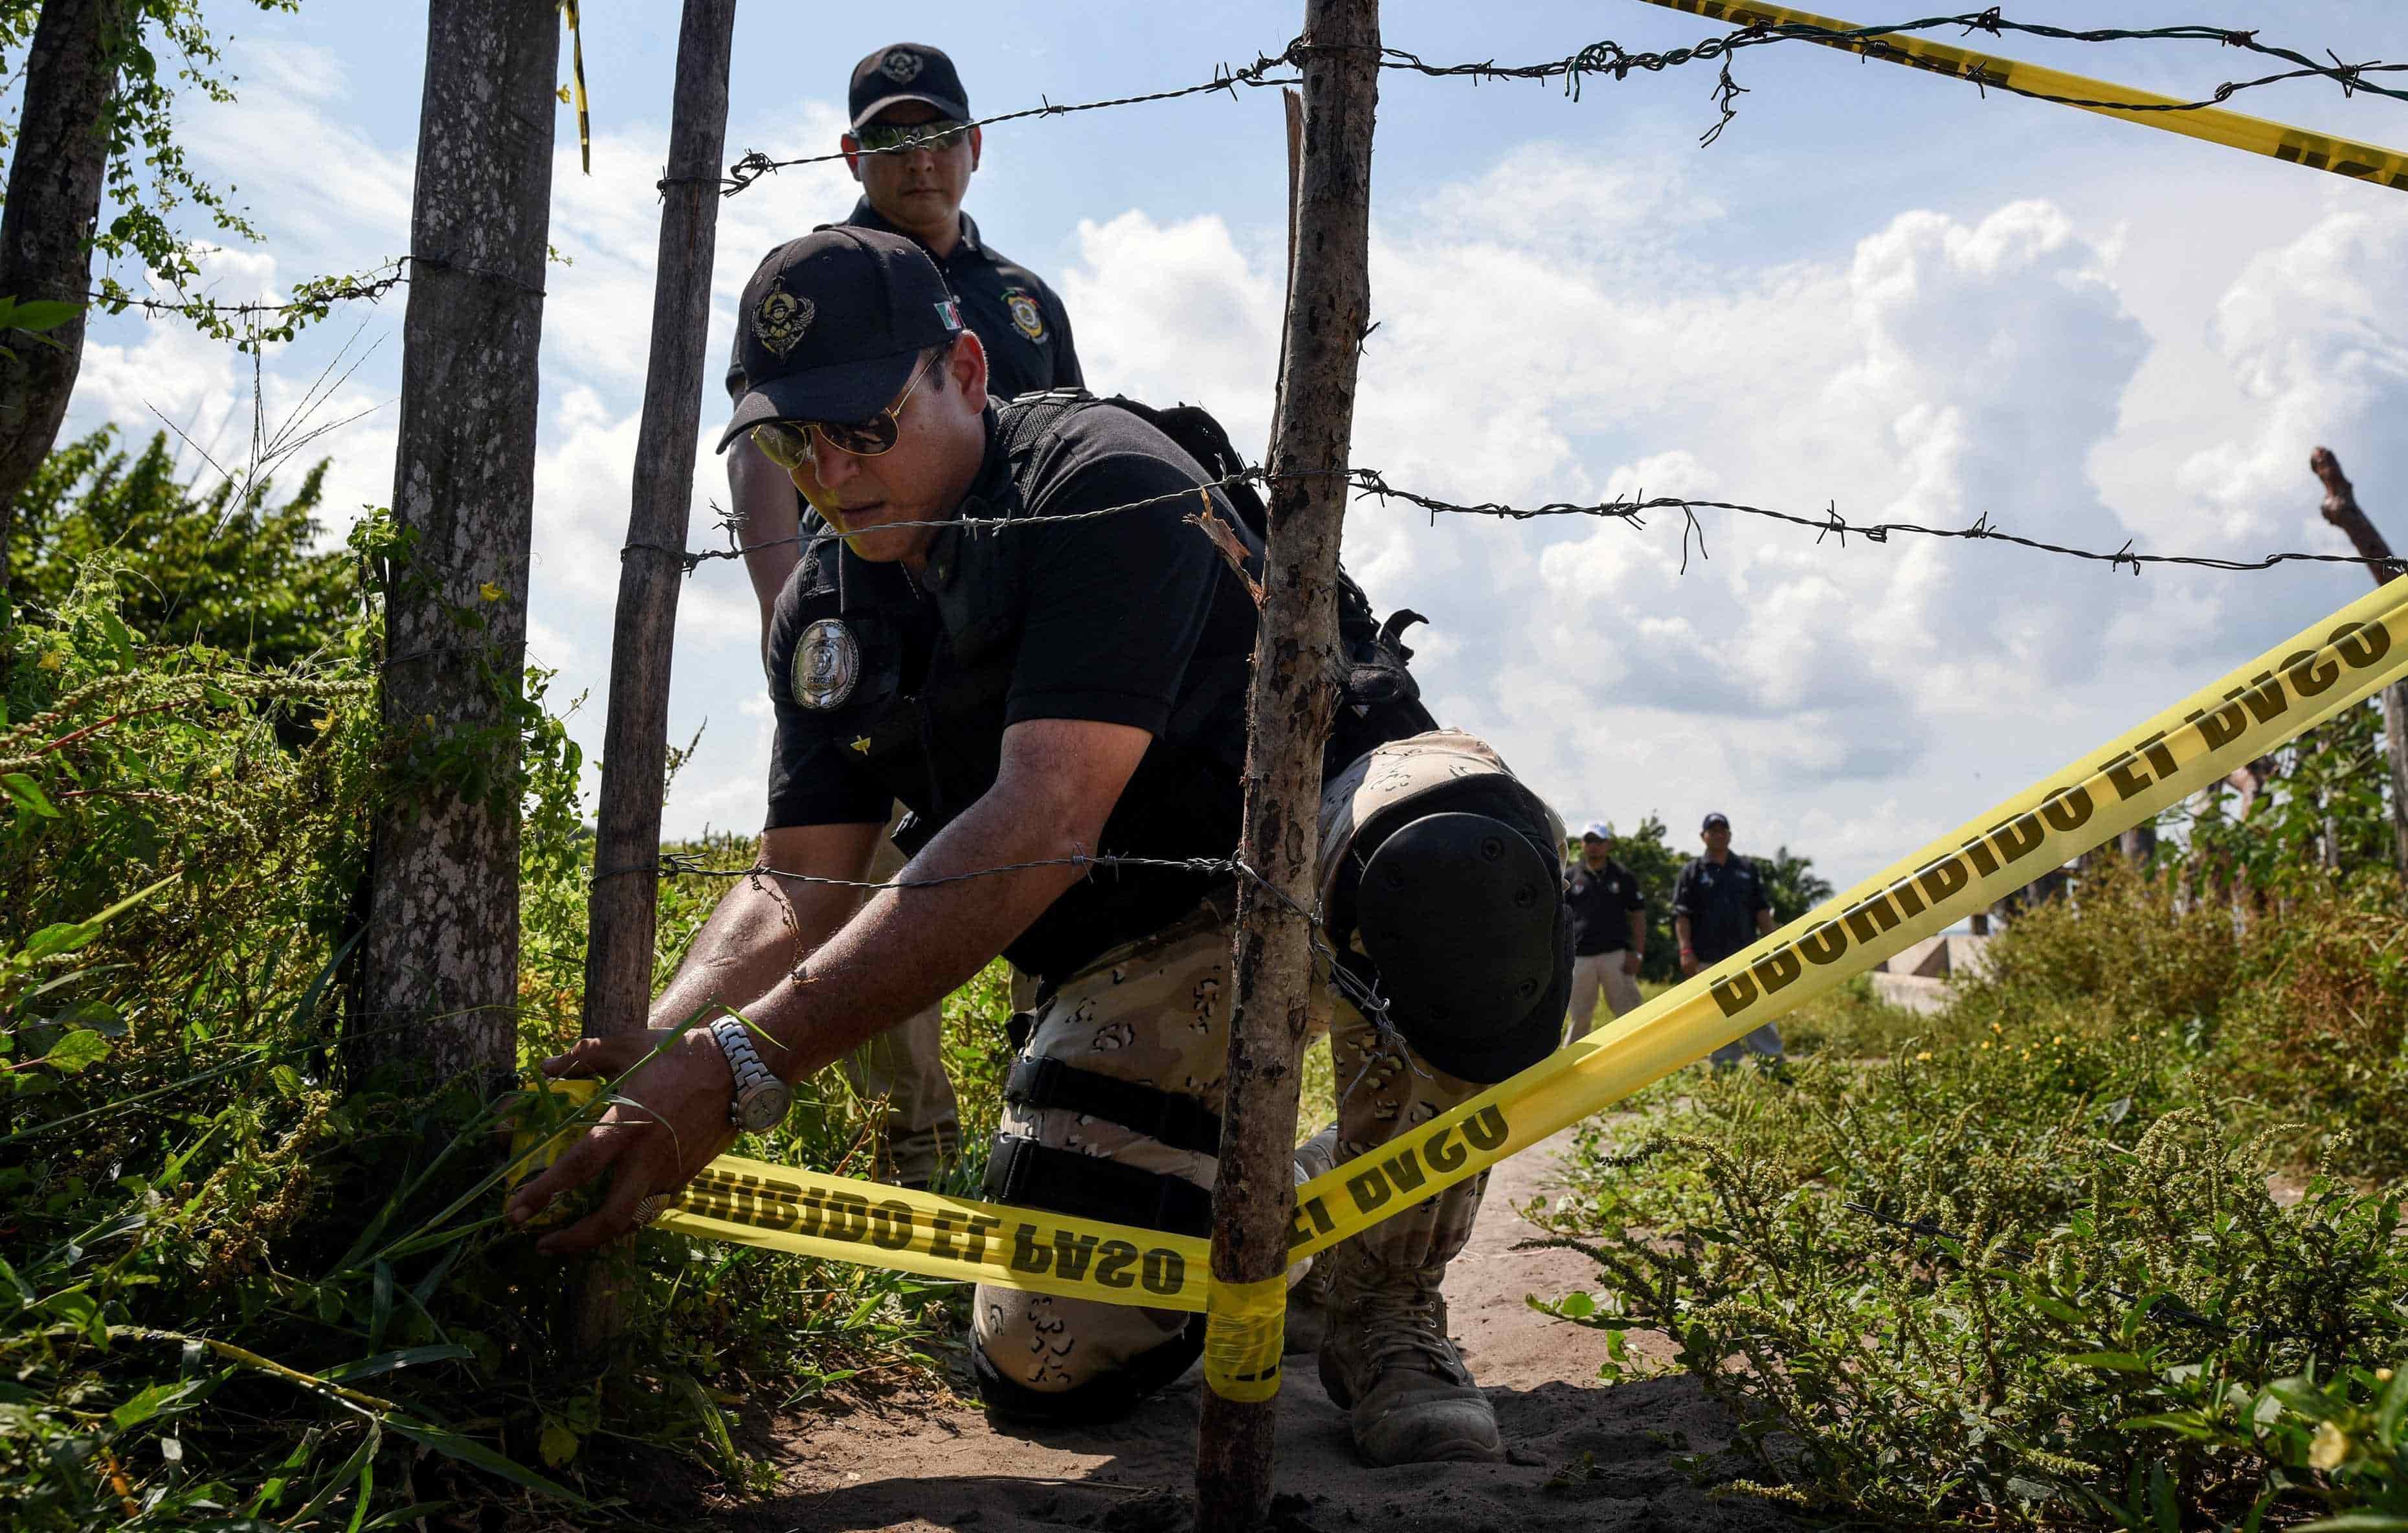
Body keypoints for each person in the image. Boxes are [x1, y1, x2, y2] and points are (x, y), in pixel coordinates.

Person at [507, 229, 1574, 1467]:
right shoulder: (830, 601)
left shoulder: (1098, 478)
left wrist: (746, 1065)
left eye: (864, 426)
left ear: (965, 369)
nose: (833, 474)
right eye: (796, 443)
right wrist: (668, 1041)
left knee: (1456, 872)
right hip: (1139, 938)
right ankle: (1297, 1224)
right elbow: (795, 877)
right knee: (1050, 1353)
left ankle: (1388, 1299)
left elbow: (1042, 821)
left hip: (1320, 829)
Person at [720, 42, 1089, 1185]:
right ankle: (914, 1148)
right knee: (864, 879)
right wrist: (793, 608)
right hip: (875, 633)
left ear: (974, 148)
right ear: (851, 155)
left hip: (1012, 622)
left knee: (1053, 849)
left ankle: (1058, 1124)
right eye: (886, 137)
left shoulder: (1025, 302)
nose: (915, 158)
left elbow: (1069, 439)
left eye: (935, 134)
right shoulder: (814, 283)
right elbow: (764, 454)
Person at [1672, 811, 1780, 1067]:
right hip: (1708, 958)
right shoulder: (1692, 872)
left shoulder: (1746, 868)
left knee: (1759, 1010)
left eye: (1723, 831)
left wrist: (1773, 943)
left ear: (1730, 835)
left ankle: (1771, 1063)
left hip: (1747, 955)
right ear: (1703, 836)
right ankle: (1725, 1065)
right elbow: (1682, 916)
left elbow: (1762, 910)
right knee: (1717, 1015)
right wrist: (1686, 952)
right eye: (1713, 831)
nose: (1719, 835)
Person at [1562, 822, 1645, 1038]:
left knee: (1630, 1013)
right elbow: (1559, 918)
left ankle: (1641, 1055)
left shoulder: (1622, 876)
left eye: (1599, 841)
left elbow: (1638, 914)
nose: (1594, 846)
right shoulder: (1570, 877)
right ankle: (1574, 1066)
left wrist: (1638, 953)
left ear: (1608, 844)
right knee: (1579, 1017)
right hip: (1580, 959)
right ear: (1582, 844)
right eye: (1589, 841)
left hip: (1615, 956)